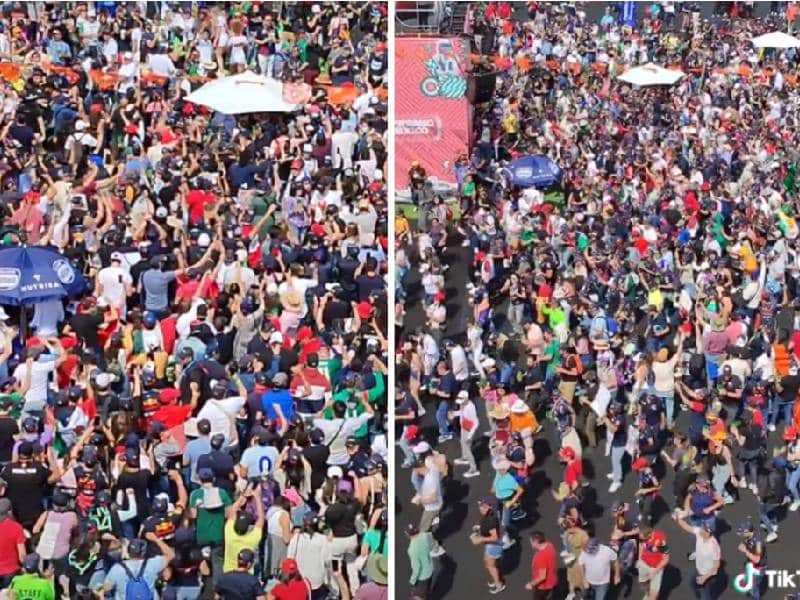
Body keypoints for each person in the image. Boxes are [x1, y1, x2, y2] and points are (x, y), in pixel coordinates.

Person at [471, 497, 505, 594]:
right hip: (490, 545)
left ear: (490, 507)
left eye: (484, 506)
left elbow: (495, 537)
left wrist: (480, 539)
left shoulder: (491, 520)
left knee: (490, 566)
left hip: (493, 546)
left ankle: (498, 584)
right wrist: (479, 528)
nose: (481, 508)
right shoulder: (488, 515)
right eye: (480, 506)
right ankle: (496, 578)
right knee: (487, 563)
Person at [526, 532, 558, 599]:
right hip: (552, 579)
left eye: (531, 542)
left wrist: (531, 584)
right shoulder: (549, 545)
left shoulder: (541, 557)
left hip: (543, 586)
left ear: (536, 542)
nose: (531, 544)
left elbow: (542, 577)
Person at [406, 523, 434, 600]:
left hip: (422, 577)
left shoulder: (411, 549)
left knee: (418, 597)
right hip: (430, 569)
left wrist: (412, 580)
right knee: (425, 592)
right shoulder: (425, 535)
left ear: (407, 534)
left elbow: (417, 568)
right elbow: (432, 546)